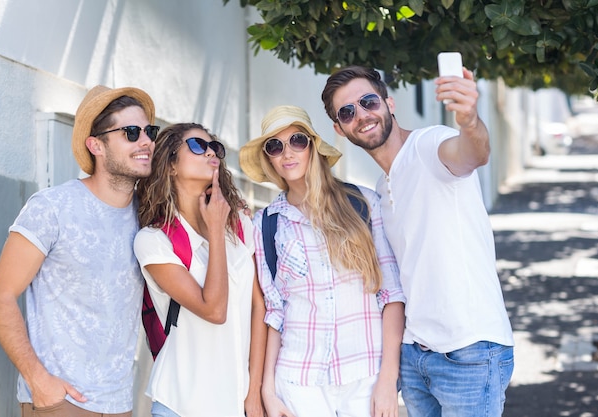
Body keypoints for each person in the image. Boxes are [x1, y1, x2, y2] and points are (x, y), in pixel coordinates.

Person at [321, 66, 515, 416]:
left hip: (468, 350)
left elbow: (473, 153)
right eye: (347, 112)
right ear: (339, 128)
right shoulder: (382, 188)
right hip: (415, 354)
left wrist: (469, 120)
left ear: (389, 103)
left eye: (368, 102)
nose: (362, 115)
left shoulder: (429, 145)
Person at [0, 85, 158, 416]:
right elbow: (0, 295)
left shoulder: (147, 218)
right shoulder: (52, 207)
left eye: (149, 132)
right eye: (131, 132)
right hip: (60, 401)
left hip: (120, 402)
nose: (146, 142)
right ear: (96, 145)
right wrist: (38, 379)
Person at [239, 105, 406, 417]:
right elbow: (275, 312)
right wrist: (267, 390)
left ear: (313, 146)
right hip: (299, 378)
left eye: (297, 141)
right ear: (269, 158)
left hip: (365, 374)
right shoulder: (265, 224)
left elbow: (392, 295)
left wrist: (388, 377)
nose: (287, 153)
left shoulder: (363, 203)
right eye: (275, 146)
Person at [133, 122, 267, 417]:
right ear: (170, 166)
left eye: (215, 147)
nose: (211, 153)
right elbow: (214, 310)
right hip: (182, 405)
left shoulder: (241, 226)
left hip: (239, 404)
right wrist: (216, 230)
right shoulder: (154, 241)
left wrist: (254, 391)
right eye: (197, 146)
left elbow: (260, 308)